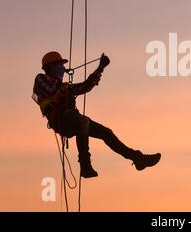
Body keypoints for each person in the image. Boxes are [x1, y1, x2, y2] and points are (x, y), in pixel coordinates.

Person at [33, 51, 161, 178]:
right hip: (62, 119)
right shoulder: (41, 79)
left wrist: (100, 68)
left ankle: (137, 158)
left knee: (106, 133)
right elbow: (52, 90)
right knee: (83, 122)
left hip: (71, 118)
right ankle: (85, 166)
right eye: (60, 65)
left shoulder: (65, 87)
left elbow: (85, 86)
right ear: (50, 68)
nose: (63, 68)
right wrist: (63, 84)